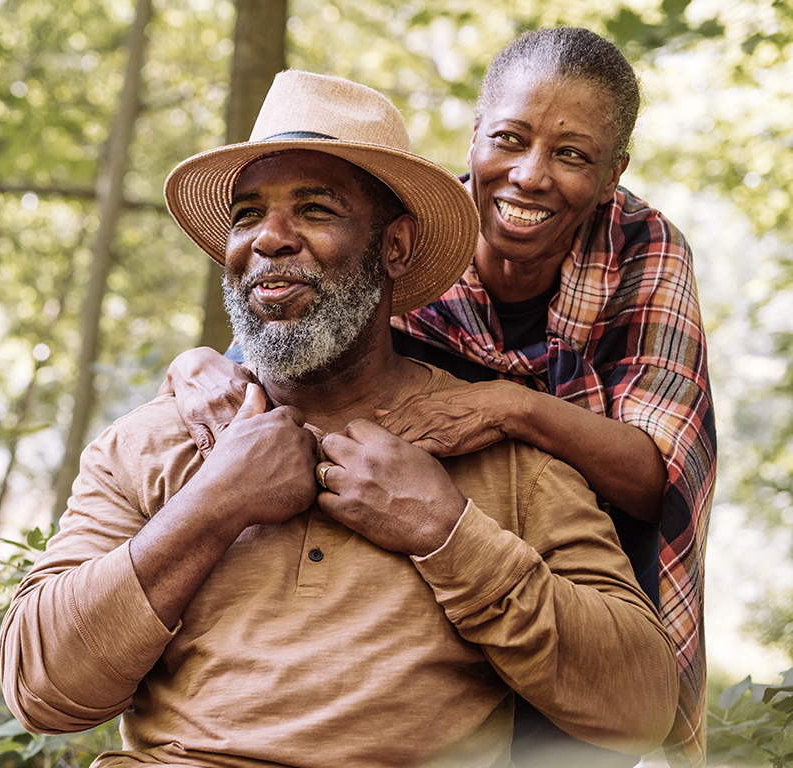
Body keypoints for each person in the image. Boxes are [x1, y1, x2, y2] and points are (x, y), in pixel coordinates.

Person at [0, 70, 679, 768]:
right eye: (246, 214)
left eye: (316, 209)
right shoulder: (157, 439)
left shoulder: (504, 455)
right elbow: (42, 690)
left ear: (396, 246)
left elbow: (640, 707)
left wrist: (448, 534)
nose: (270, 239)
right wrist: (214, 502)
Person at [162, 28, 715, 768]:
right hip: (414, 527)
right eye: (509, 140)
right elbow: (275, 357)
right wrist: (195, 365)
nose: (530, 175)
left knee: (577, 729)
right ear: (475, 137)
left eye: (572, 154)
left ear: (614, 173)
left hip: (580, 527)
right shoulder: (402, 244)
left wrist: (509, 405)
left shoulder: (646, 252)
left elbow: (660, 477)